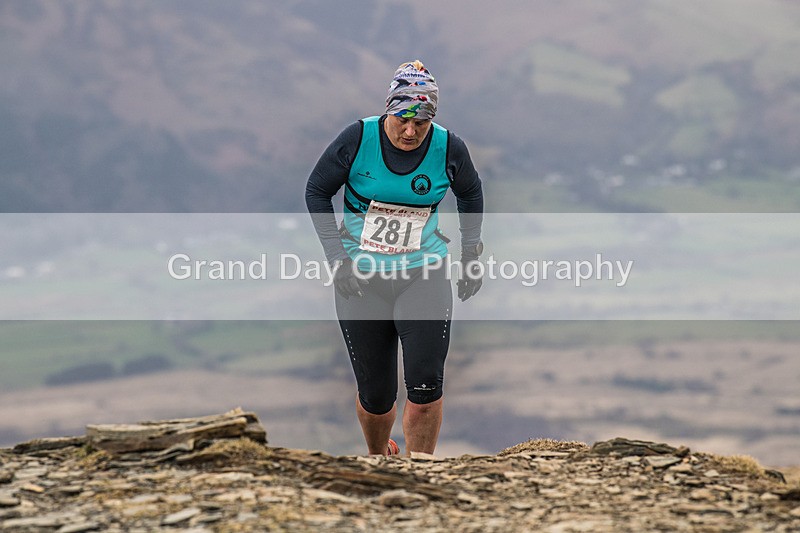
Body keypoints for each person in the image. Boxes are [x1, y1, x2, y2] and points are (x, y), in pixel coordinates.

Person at [305, 60, 484, 456]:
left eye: (420, 123)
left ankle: (421, 470)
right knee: (376, 395)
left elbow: (470, 193)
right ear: (388, 110)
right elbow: (317, 190)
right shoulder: (357, 138)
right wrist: (337, 258)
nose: (410, 131)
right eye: (402, 119)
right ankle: (378, 458)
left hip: (423, 273)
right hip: (360, 278)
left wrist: (471, 253)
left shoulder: (448, 147)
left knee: (424, 385)